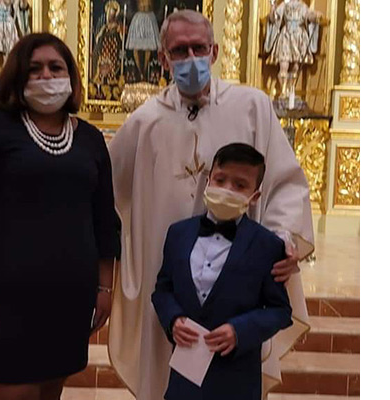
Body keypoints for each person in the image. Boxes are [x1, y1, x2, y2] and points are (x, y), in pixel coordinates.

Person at [107, 9, 313, 400]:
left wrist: (283, 239)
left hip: (239, 280)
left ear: (215, 51)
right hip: (171, 284)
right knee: (170, 382)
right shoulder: (145, 121)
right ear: (163, 59)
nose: (190, 59)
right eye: (179, 51)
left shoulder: (252, 106)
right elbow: (108, 196)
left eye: (198, 48)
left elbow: (286, 183)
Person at [0, 33, 119, 400]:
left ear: (72, 76)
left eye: (55, 67)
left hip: (68, 298)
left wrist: (104, 289)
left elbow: (104, 219)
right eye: (35, 69)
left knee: (49, 392)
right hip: (6, 299)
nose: (46, 76)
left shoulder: (90, 139)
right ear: (17, 76)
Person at [151, 143, 293, 400]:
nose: (227, 189)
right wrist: (173, 319)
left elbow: (280, 311)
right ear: (208, 181)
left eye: (240, 185)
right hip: (184, 380)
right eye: (220, 179)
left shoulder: (267, 245)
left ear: (255, 196)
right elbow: (163, 289)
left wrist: (239, 331)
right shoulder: (178, 233)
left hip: (236, 381)